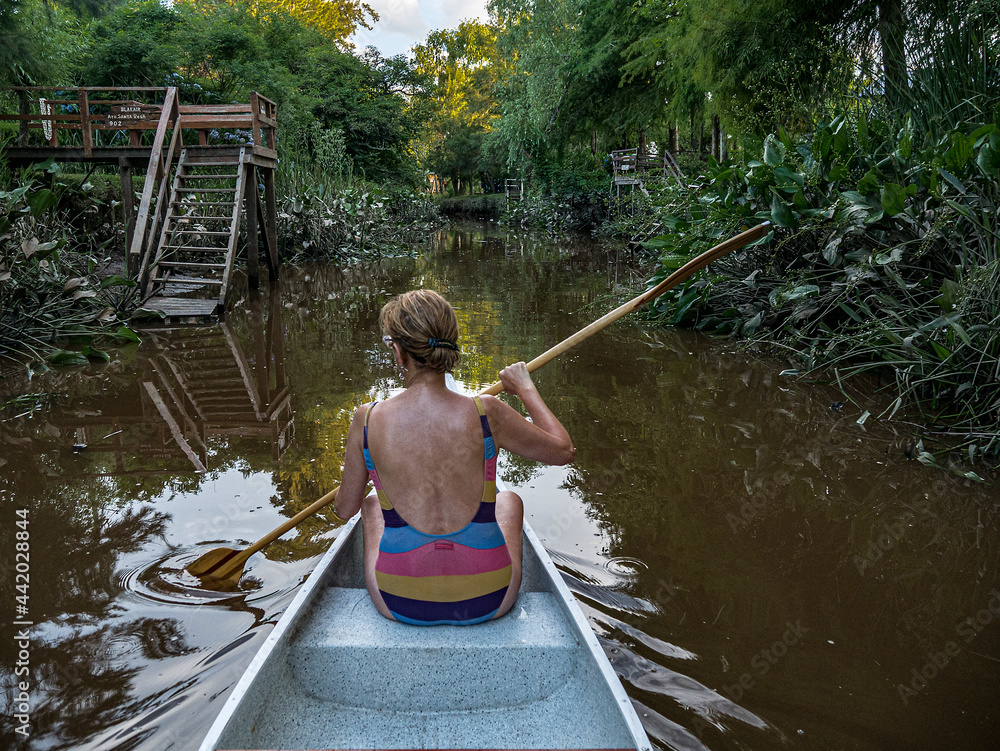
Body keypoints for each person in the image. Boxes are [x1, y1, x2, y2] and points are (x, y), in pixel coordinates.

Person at [334, 289, 574, 625]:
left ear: (400, 353)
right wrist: (525, 388)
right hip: (490, 598)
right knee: (510, 501)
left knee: (372, 504)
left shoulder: (367, 418)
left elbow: (345, 509)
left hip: (399, 603)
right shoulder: (486, 413)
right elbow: (563, 451)